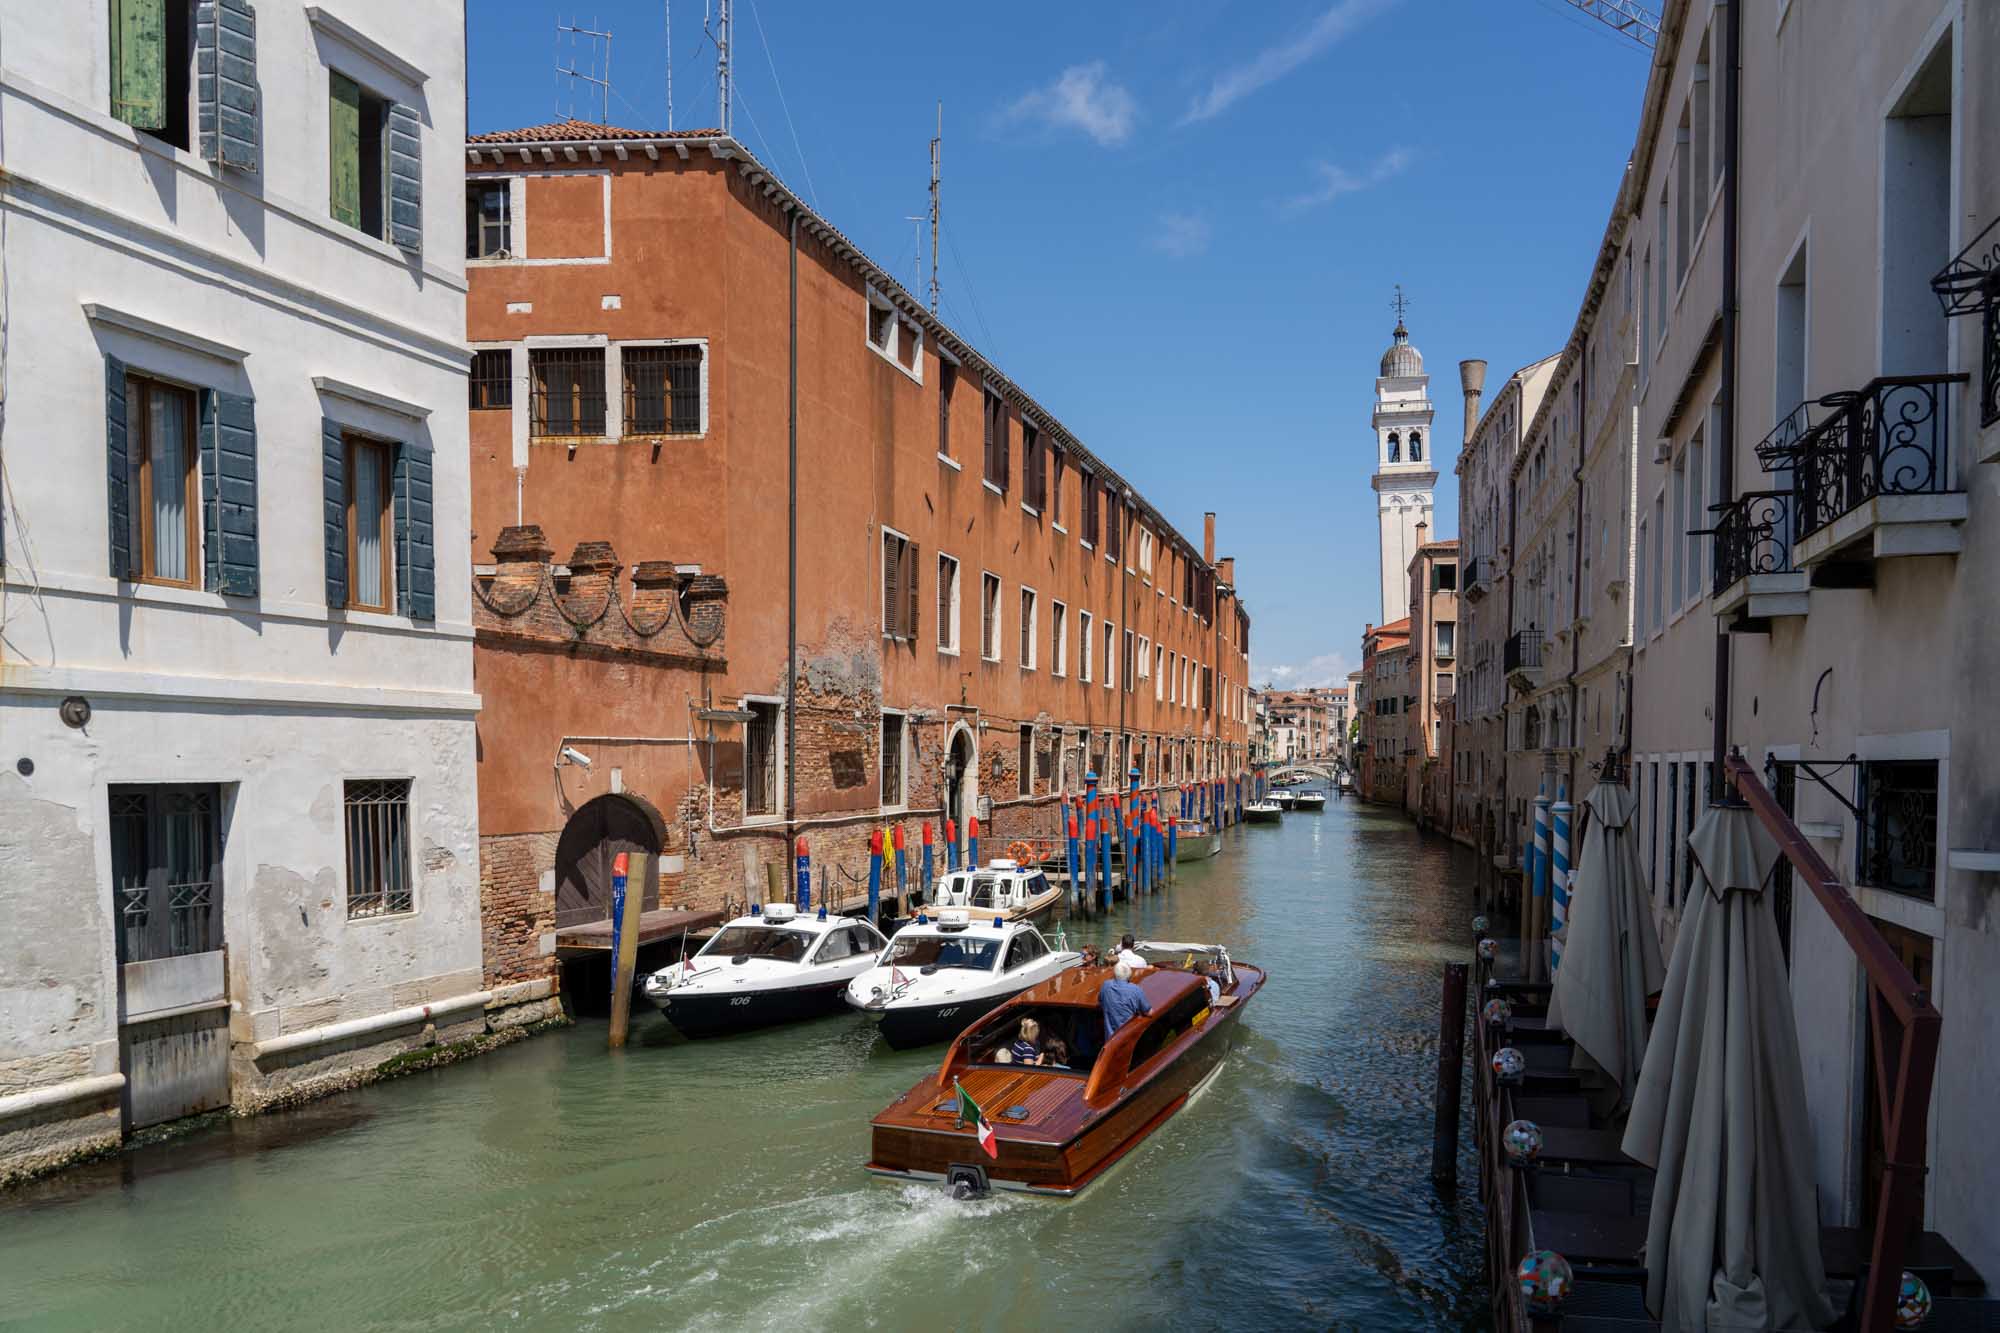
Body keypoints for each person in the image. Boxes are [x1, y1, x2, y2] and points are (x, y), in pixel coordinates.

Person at [1098, 962, 1152, 1043]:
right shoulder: (1135, 989)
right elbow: (1149, 1012)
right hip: (1128, 1037)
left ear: (1115, 973)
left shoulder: (1106, 985)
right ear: (1130, 975)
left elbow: (1100, 1001)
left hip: (1109, 1039)